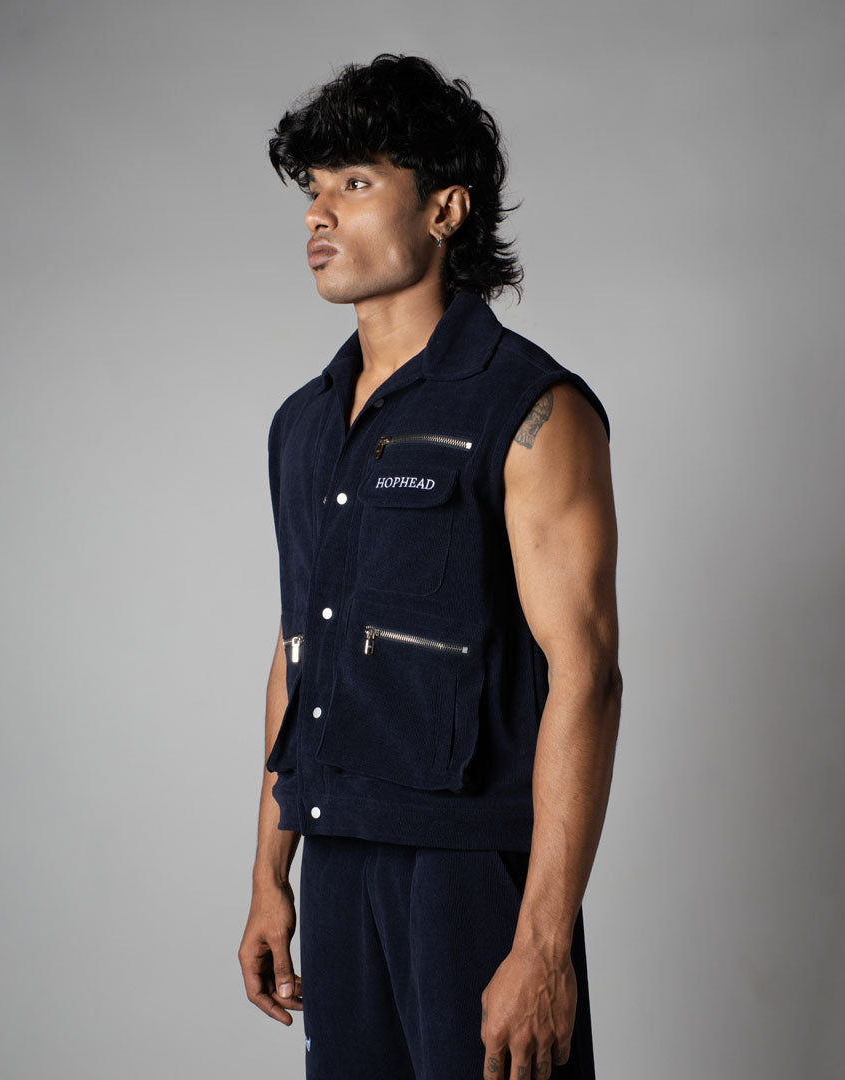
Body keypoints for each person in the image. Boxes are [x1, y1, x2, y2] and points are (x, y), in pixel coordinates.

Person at [238, 53, 622, 1080]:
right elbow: (297, 649)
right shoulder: (303, 425)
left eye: (356, 182)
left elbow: (586, 675)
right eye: (313, 188)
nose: (319, 213)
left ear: (446, 209)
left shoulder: (531, 410)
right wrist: (270, 874)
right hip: (336, 856)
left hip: (471, 877)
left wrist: (543, 944)